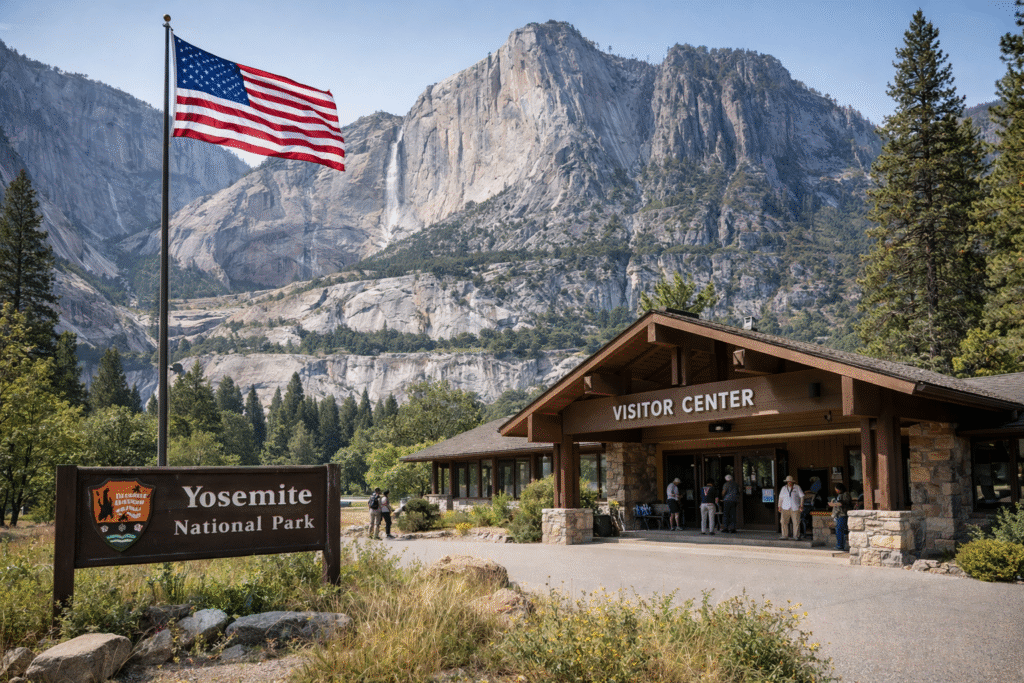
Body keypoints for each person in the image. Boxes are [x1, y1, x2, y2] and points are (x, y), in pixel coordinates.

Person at [777, 475, 803, 540]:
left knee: (796, 522)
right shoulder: (783, 488)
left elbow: (802, 496)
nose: (789, 482)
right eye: (788, 481)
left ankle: (796, 536)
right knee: (783, 521)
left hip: (795, 508)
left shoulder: (797, 487)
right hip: (785, 508)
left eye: (790, 481)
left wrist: (801, 505)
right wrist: (779, 506)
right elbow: (780, 498)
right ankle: (784, 535)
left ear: (792, 482)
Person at [828, 482, 853, 551]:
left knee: (839, 530)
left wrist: (836, 504)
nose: (836, 491)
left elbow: (844, 503)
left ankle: (840, 546)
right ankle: (840, 545)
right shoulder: (839, 495)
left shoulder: (846, 494)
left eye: (837, 489)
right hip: (839, 515)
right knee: (840, 530)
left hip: (843, 514)